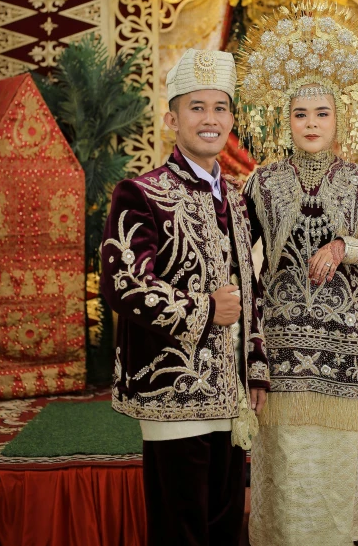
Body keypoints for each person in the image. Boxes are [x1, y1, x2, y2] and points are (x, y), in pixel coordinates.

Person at [237, 2, 358, 546]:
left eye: (321, 113)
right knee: (287, 465)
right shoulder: (260, 184)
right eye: (300, 114)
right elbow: (239, 257)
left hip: (347, 353)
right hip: (281, 350)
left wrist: (345, 246)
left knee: (335, 467)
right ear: (283, 119)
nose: (311, 124)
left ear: (340, 118)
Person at [100, 48, 269, 546]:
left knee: (223, 529)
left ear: (232, 119)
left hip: (231, 396)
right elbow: (123, 282)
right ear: (172, 118)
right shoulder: (140, 192)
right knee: (180, 532)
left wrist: (256, 363)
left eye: (220, 108)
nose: (210, 119)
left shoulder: (238, 198)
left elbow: (250, 284)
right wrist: (204, 309)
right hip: (169, 392)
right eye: (197, 108)